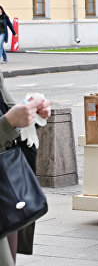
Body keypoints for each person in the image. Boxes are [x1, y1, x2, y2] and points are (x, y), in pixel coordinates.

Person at [0, 71, 50, 265]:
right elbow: (7, 121)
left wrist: (31, 113)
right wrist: (9, 123)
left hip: (5, 195)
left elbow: (8, 111)